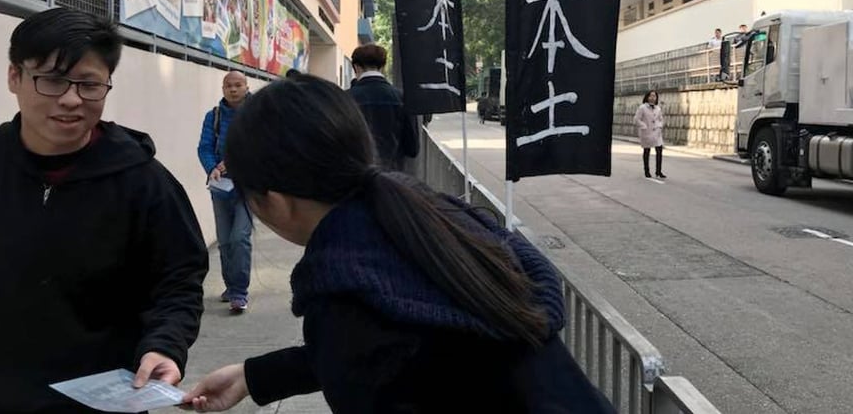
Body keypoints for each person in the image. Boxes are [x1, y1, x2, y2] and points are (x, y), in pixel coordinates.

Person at [181, 75, 615, 413]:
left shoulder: (345, 294)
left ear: (273, 201)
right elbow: (405, 346)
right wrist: (253, 377)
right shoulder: (426, 214)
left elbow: (374, 347)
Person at [0, 7, 208, 414]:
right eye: (51, 80)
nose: (71, 99)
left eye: (89, 85)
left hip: (106, 402)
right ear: (14, 77)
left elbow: (179, 279)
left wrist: (164, 345)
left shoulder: (144, 181)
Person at [197, 71, 253, 314]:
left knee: (240, 238)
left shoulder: (257, 114)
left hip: (249, 186)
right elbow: (205, 147)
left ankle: (240, 292)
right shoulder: (215, 116)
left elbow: (264, 145)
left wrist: (234, 162)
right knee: (225, 240)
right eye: (228, 85)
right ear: (222, 88)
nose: (233, 89)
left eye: (238, 85)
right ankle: (231, 287)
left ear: (246, 86)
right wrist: (212, 168)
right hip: (221, 188)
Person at [347, 44, 419, 171]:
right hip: (392, 179)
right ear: (383, 67)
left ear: (356, 67)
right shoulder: (402, 98)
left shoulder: (344, 98)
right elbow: (412, 149)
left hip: (355, 178)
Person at [634, 90, 665, 179]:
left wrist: (660, 126)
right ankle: (647, 171)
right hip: (646, 132)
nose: (652, 98)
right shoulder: (642, 108)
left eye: (654, 96)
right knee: (647, 151)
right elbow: (636, 119)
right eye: (651, 96)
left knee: (659, 150)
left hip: (657, 133)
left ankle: (658, 171)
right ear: (647, 97)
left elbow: (660, 119)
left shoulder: (658, 108)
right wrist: (644, 126)